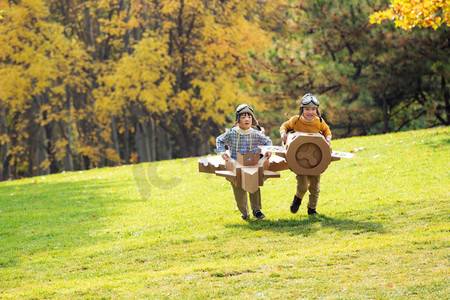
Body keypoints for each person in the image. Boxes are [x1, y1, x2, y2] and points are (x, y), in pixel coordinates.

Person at [216, 104, 272, 220]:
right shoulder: (232, 133)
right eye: (243, 117)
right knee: (239, 192)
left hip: (252, 166)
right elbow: (219, 140)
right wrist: (223, 152)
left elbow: (268, 141)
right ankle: (245, 213)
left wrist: (267, 150)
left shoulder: (256, 134)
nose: (247, 119)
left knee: (254, 188)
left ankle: (256, 210)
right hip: (236, 166)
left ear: (253, 119)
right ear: (238, 120)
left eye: (249, 117)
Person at [279, 93, 332, 216]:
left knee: (315, 187)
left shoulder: (319, 121)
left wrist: (328, 138)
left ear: (316, 111)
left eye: (313, 109)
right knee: (302, 185)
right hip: (300, 160)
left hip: (316, 159)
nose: (310, 112)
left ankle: (312, 209)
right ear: (302, 109)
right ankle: (298, 199)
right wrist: (283, 134)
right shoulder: (296, 120)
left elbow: (326, 130)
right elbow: (285, 126)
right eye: (307, 109)